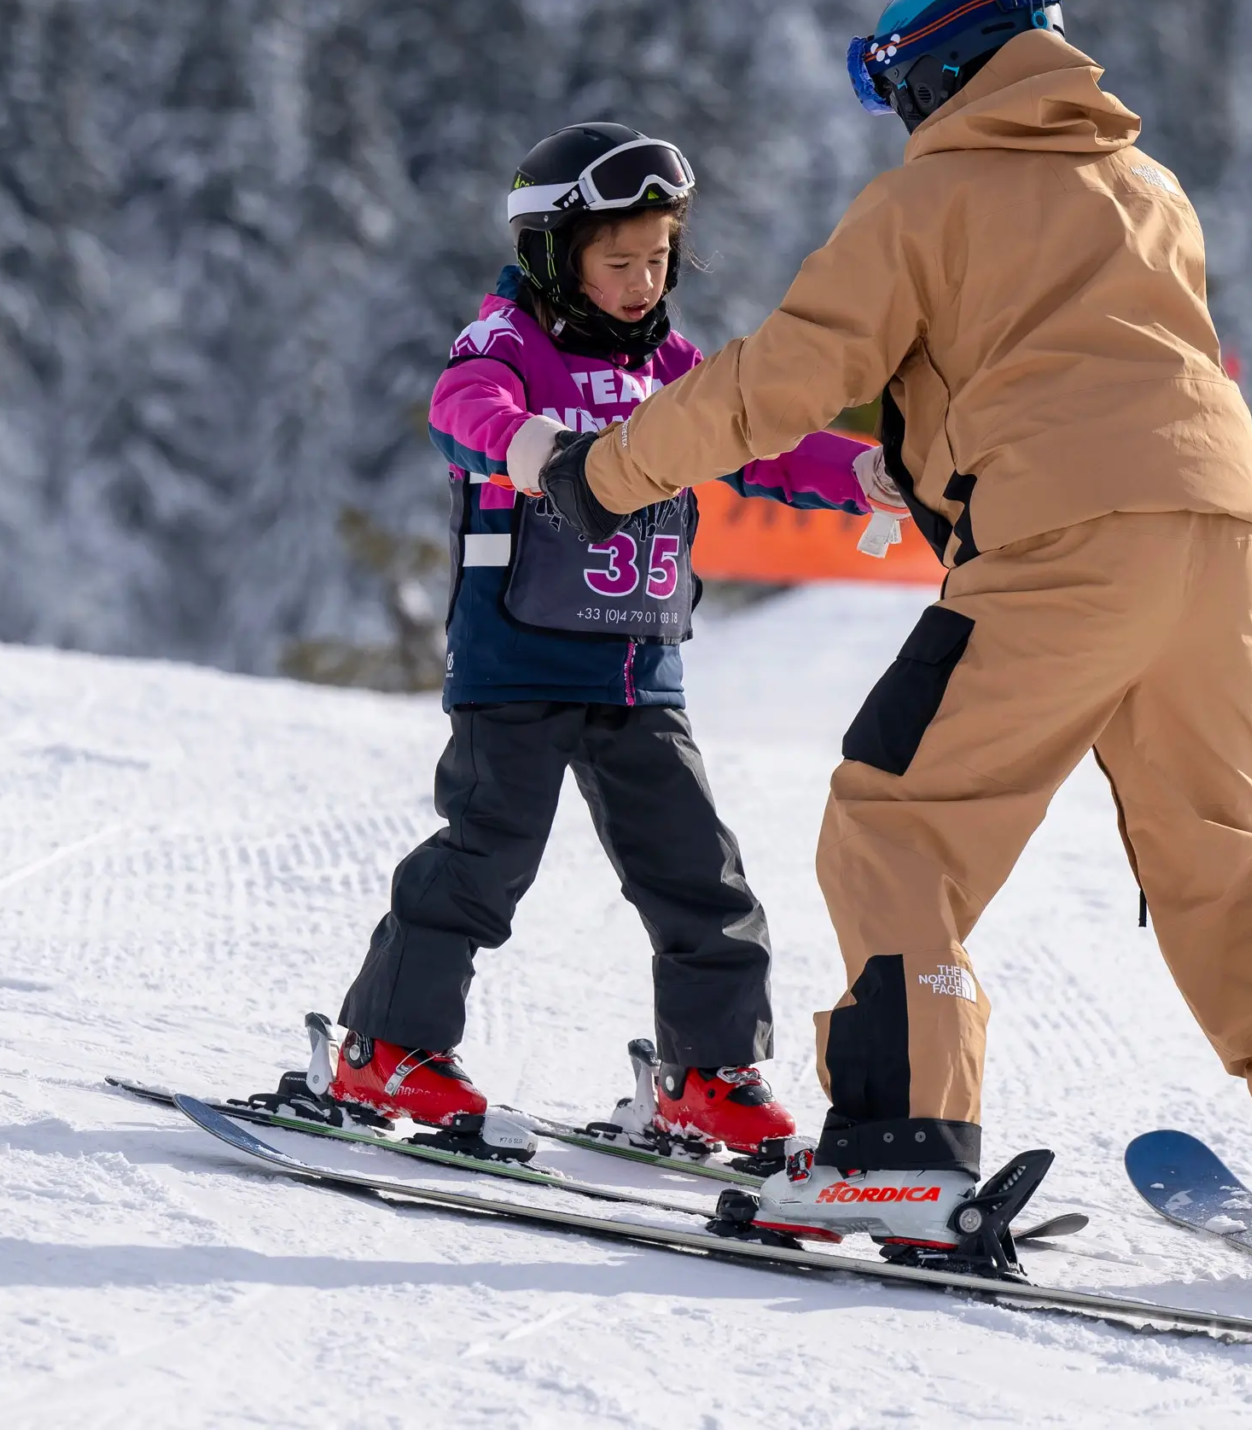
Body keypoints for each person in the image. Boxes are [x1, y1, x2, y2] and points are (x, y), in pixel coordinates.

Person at [539, 0, 1252, 1286]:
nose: (897, 110)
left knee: (896, 816)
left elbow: (783, 378)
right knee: (1221, 851)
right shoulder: (1147, 187)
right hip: (1222, 537)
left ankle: (903, 1146)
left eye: (896, 84)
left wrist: (603, 473)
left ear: (939, 75)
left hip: (1061, 539)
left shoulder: (930, 198)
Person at [312, 123, 904, 1164]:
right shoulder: (510, 344)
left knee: (699, 879)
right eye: (617, 261)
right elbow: (461, 406)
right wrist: (535, 447)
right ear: (554, 255)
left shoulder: (671, 365)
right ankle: (388, 1046)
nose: (641, 283)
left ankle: (706, 1075)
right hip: (517, 662)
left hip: (642, 669)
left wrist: (856, 472)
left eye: (658, 259)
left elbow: (757, 434)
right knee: (483, 860)